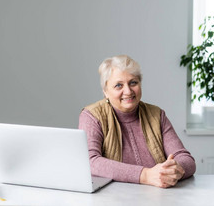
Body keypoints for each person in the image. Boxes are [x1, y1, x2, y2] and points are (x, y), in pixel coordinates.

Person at [79, 55, 196, 188]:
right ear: (105, 91)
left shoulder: (157, 115)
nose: (128, 91)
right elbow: (90, 162)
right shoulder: (91, 116)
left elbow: (186, 159)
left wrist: (176, 170)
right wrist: (145, 175)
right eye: (118, 85)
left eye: (133, 82)